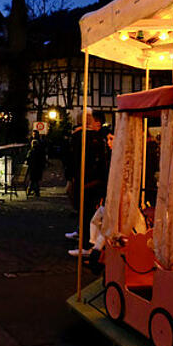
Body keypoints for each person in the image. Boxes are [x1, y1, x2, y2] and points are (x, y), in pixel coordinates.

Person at [64, 110, 108, 256]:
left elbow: (73, 159)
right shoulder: (95, 138)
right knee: (88, 213)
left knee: (88, 212)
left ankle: (87, 243)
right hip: (92, 181)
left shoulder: (83, 137)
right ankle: (85, 239)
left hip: (88, 182)